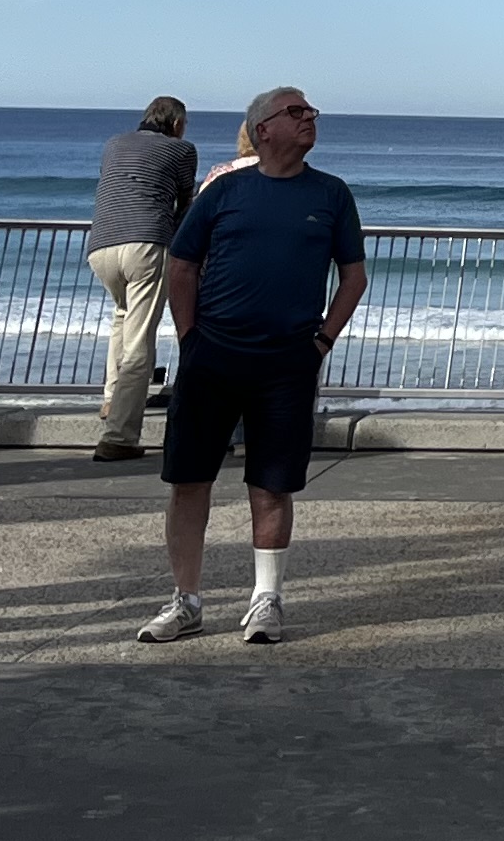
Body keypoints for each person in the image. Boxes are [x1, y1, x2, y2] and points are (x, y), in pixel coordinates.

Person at [136, 86, 365, 648]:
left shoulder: (331, 194)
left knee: (271, 486)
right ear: (263, 129)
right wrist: (190, 338)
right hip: (213, 356)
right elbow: (182, 262)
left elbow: (353, 277)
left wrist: (320, 343)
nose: (310, 118)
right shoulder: (225, 191)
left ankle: (267, 600)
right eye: (296, 111)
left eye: (311, 111)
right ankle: (185, 601)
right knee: (190, 481)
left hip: (287, 362)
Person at [85, 96, 199, 463]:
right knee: (139, 338)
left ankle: (111, 401)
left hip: (101, 246)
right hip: (146, 242)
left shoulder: (114, 144)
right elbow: (185, 204)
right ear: (177, 124)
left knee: (122, 316)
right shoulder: (181, 150)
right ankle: (119, 436)